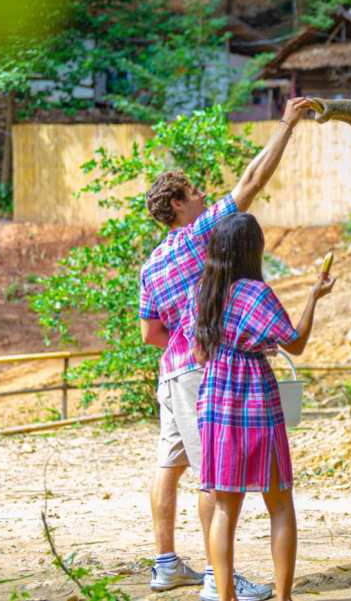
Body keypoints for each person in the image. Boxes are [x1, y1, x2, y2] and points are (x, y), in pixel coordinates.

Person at [138, 98, 314, 596]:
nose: (203, 196)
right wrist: (286, 123)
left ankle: (167, 562)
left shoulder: (150, 265)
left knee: (169, 464)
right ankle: (220, 583)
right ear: (177, 206)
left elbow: (150, 334)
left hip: (170, 372)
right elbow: (254, 180)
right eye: (194, 192)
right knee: (215, 480)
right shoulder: (200, 236)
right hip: (205, 369)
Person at [190, 213, 335, 601]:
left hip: (215, 401)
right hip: (254, 397)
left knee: (224, 510)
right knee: (280, 503)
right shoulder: (256, 293)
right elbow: (295, 342)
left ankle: (225, 598)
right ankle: (284, 597)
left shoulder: (203, 291)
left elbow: (198, 352)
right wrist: (312, 296)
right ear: (253, 250)